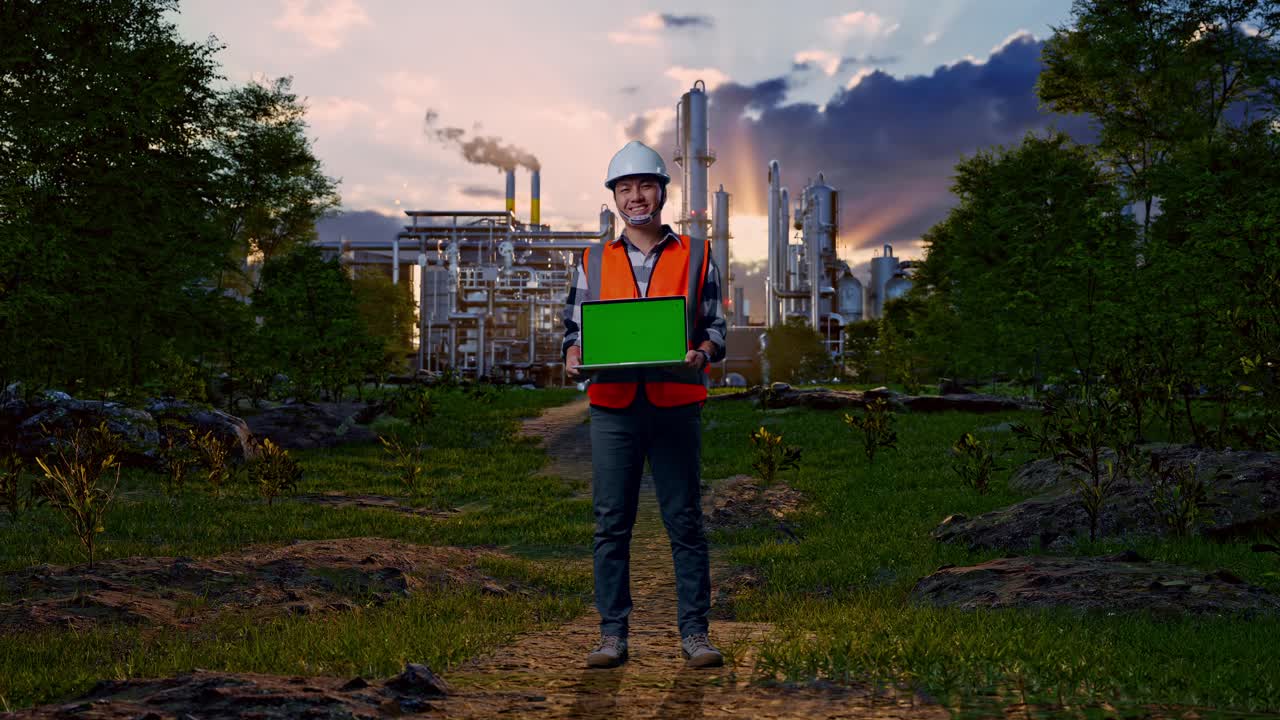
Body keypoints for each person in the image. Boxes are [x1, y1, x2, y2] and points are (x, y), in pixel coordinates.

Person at [561, 140, 727, 669]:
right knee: (611, 523)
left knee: (685, 521)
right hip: (613, 406)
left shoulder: (697, 254)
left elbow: (715, 327)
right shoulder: (592, 259)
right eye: (625, 188)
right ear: (614, 198)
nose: (636, 197)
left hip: (676, 402)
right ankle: (612, 635)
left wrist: (703, 353)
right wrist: (572, 355)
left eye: (646, 186)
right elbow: (573, 331)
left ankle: (695, 633)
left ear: (662, 192)